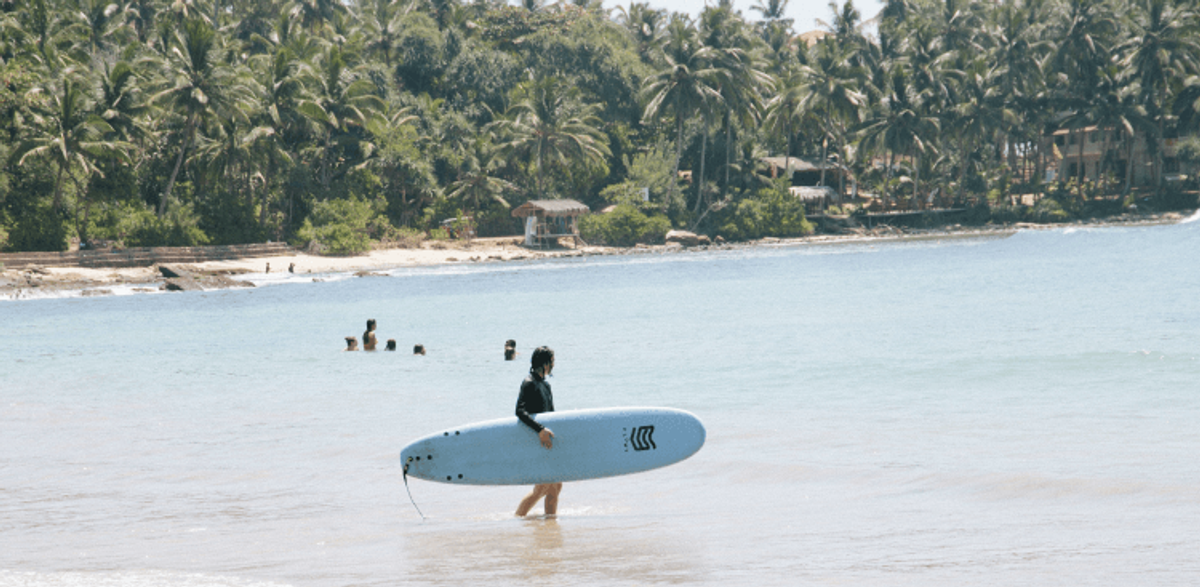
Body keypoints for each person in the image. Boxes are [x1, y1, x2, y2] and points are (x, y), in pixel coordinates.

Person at [515, 346, 561, 517]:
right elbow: (520, 412)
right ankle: (517, 518)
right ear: (545, 363)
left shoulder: (546, 386)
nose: (554, 364)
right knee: (542, 488)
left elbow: (552, 415)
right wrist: (540, 430)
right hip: (537, 441)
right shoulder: (529, 383)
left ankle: (550, 523)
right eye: (553, 361)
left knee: (555, 486)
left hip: (548, 443)